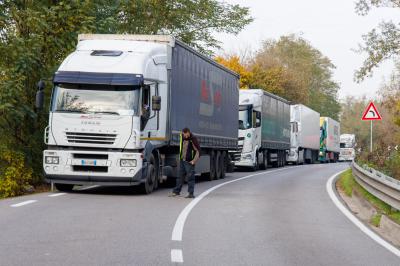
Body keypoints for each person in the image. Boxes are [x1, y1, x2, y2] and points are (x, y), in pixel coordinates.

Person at [170, 128, 200, 198]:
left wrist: (193, 161)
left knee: (190, 177)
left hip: (189, 161)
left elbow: (198, 151)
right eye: (183, 134)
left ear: (188, 133)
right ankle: (176, 192)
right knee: (180, 177)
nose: (185, 136)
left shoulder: (193, 139)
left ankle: (191, 193)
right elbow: (182, 148)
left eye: (186, 135)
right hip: (182, 160)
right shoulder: (182, 137)